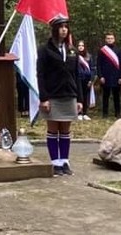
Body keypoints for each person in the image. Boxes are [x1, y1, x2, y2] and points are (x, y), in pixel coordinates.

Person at [37, 16, 83, 177]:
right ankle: (55, 162)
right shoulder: (45, 50)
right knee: (53, 129)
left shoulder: (72, 50)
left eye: (66, 27)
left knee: (65, 129)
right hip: (52, 95)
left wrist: (79, 99)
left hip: (69, 94)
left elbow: (77, 75)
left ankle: (64, 160)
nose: (64, 29)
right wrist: (43, 98)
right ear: (54, 29)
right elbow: (40, 75)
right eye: (61, 27)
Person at [96, 31, 121, 118]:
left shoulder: (118, 50)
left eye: (111, 38)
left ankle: (117, 113)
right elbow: (98, 64)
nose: (110, 40)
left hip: (116, 77)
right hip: (106, 77)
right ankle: (105, 114)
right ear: (105, 39)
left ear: (114, 39)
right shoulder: (102, 51)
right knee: (105, 96)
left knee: (116, 96)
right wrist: (100, 76)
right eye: (108, 38)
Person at [75, 40, 93, 120]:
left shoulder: (88, 56)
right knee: (79, 95)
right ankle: (79, 112)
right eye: (79, 45)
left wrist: (91, 79)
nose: (81, 47)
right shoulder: (75, 56)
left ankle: (85, 113)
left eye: (82, 45)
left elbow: (92, 68)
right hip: (78, 79)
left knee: (86, 96)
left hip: (87, 79)